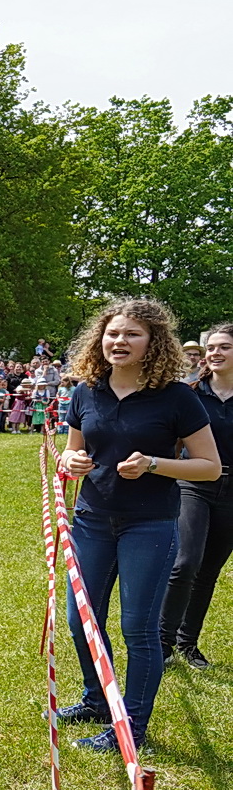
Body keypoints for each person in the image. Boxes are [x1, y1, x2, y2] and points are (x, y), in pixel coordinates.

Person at [56, 298, 221, 753]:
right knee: (81, 622)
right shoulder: (86, 390)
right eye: (112, 333)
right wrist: (70, 460)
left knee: (138, 630)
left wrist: (154, 464)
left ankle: (131, 726)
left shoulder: (177, 397)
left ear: (153, 343)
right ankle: (96, 699)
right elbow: (71, 454)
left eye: (131, 334)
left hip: (148, 526)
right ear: (99, 339)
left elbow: (209, 466)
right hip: (91, 520)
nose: (119, 341)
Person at [160, 323, 233, 670]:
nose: (215, 353)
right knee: (185, 563)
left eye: (225, 347)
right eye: (212, 347)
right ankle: (162, 641)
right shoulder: (190, 393)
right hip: (193, 483)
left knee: (208, 571)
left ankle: (188, 643)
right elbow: (172, 444)